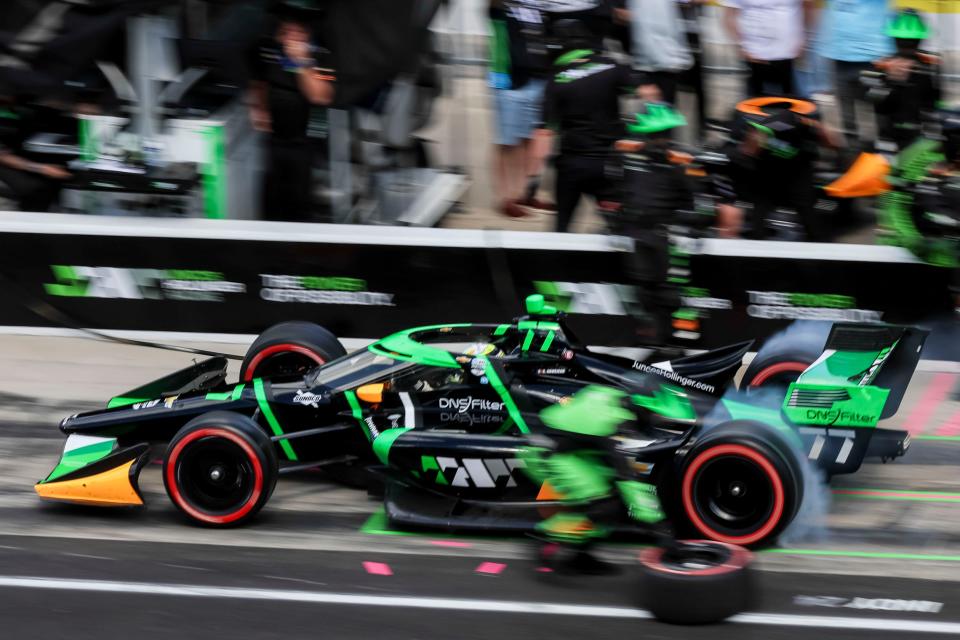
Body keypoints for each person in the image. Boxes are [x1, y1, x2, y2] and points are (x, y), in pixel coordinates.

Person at [522, 385, 666, 574]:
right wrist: (657, 524)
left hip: (569, 448)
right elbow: (627, 474)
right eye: (650, 413)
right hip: (546, 453)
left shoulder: (615, 395)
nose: (651, 418)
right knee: (604, 506)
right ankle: (550, 538)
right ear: (639, 407)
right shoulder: (615, 421)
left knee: (611, 500)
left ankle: (580, 555)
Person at [540, 19, 658, 232]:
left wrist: (536, 179)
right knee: (622, 227)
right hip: (608, 163)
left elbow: (545, 131)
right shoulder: (613, 66)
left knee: (562, 228)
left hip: (571, 165)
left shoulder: (555, 80)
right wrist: (635, 130)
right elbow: (650, 94)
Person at [248, 1, 335, 221]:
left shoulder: (321, 54)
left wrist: (302, 63)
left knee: (299, 204)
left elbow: (320, 95)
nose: (291, 35)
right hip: (272, 140)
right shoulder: (267, 49)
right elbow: (259, 80)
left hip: (304, 142)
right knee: (270, 200)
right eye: (287, 30)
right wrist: (259, 107)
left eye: (298, 31)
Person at [489, 1, 554, 219]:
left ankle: (525, 193)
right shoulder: (502, 8)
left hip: (539, 79)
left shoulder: (540, 8)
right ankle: (506, 198)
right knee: (508, 143)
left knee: (532, 139)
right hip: (509, 81)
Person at [817, 0, 894, 144]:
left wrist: (888, 53)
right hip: (840, 55)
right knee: (848, 119)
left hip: (873, 58)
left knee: (879, 116)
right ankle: (854, 157)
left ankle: (882, 156)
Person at [865, 9, 940, 151]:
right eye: (904, 42)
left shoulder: (928, 68)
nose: (906, 46)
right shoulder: (883, 68)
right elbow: (876, 106)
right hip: (890, 136)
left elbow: (933, 103)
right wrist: (893, 82)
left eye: (910, 42)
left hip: (917, 137)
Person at [722, 0, 814, 97]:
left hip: (789, 55)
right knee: (755, 103)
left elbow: (808, 6)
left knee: (795, 101)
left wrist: (804, 38)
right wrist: (741, 45)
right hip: (754, 56)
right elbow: (728, 17)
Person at [0, 95, 71, 212]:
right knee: (36, 186)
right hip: (7, 164)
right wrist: (42, 169)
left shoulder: (15, 107)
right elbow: (2, 157)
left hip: (17, 149)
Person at [625, 0, 693, 106]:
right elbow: (644, 28)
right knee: (658, 111)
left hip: (665, 60)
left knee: (664, 110)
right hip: (654, 63)